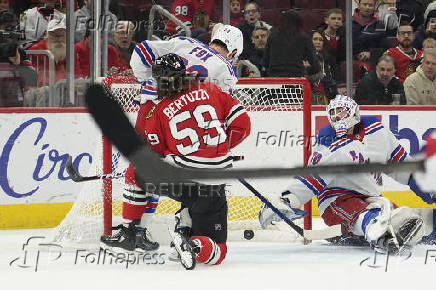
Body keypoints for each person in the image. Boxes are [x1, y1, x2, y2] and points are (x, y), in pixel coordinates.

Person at [100, 25, 244, 253]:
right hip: (182, 126)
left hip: (152, 110)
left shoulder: (185, 43)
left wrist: (149, 81)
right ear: (234, 53)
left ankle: (133, 231)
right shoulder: (226, 70)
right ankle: (173, 230)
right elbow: (218, 112)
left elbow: (140, 52)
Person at [259, 95, 436, 253]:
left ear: (355, 113)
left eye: (342, 112)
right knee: (368, 215)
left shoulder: (377, 132)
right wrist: (287, 200)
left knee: (405, 219)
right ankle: (377, 231)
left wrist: (427, 187)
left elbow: (402, 167)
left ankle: (415, 228)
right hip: (336, 200)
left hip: (371, 197)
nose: (337, 117)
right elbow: (313, 177)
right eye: (333, 114)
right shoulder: (330, 142)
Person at [262, 9, 320, 78]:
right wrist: (305, 70)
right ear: (299, 21)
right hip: (296, 79)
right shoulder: (304, 38)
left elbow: (265, 62)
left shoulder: (272, 36)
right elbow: (316, 66)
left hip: (275, 79)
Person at [308, 29, 339, 104]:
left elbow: (335, 77)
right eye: (315, 39)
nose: (318, 42)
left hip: (327, 94)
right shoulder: (303, 58)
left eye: (320, 40)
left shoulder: (329, 59)